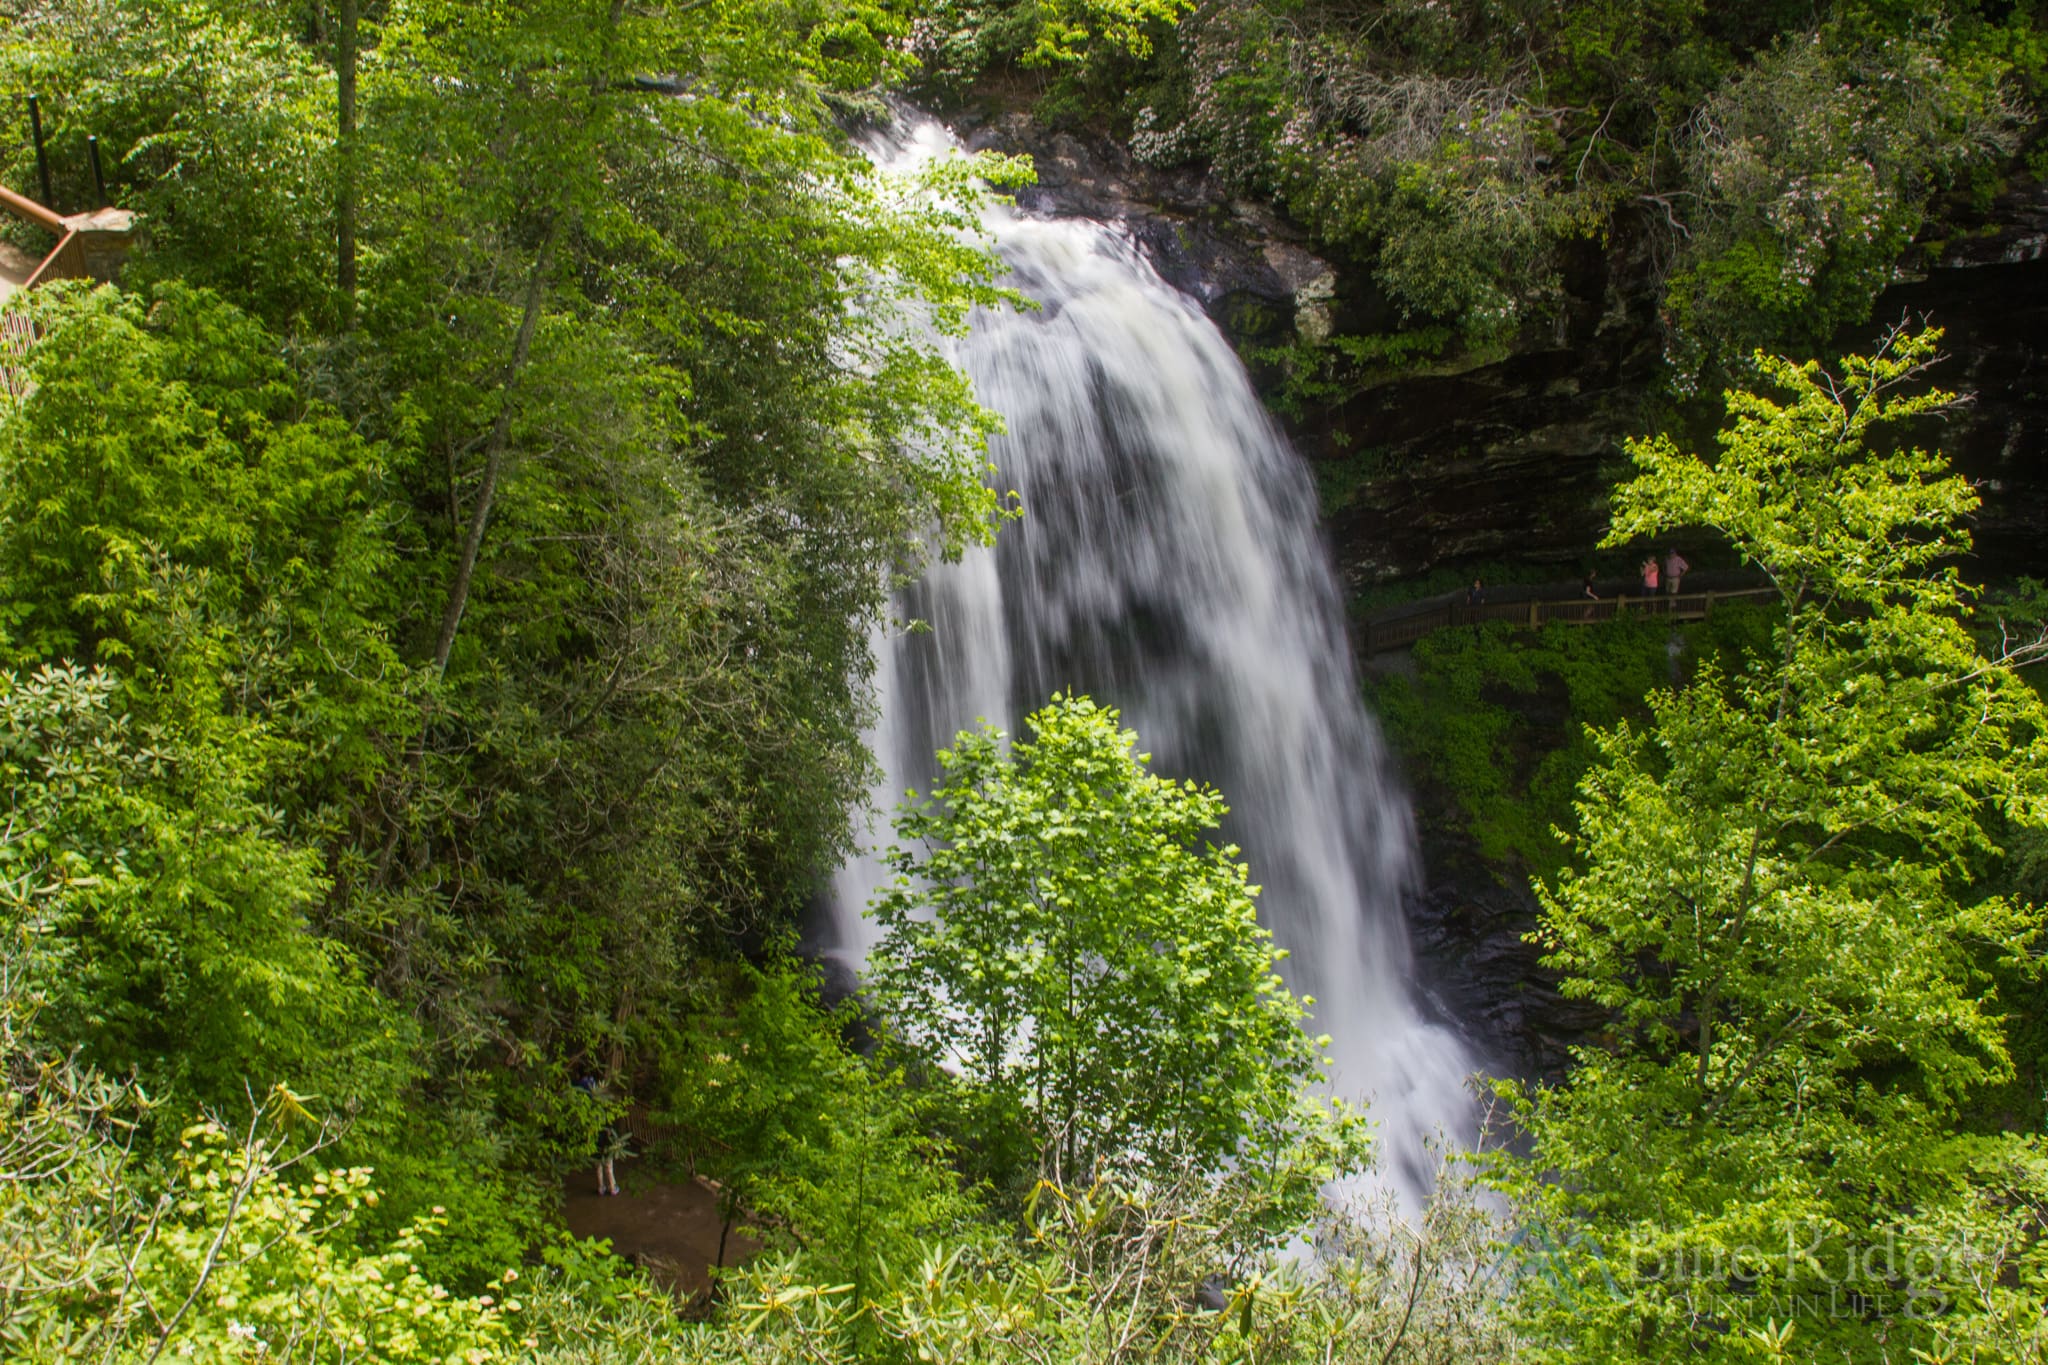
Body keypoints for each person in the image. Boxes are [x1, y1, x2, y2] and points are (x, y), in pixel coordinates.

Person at [575, 1075, 622, 1196]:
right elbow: (609, 1123)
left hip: (593, 1142)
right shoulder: (601, 1105)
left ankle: (601, 1187)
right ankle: (612, 1187)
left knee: (598, 1167)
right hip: (605, 1141)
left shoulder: (584, 1106)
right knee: (608, 1166)